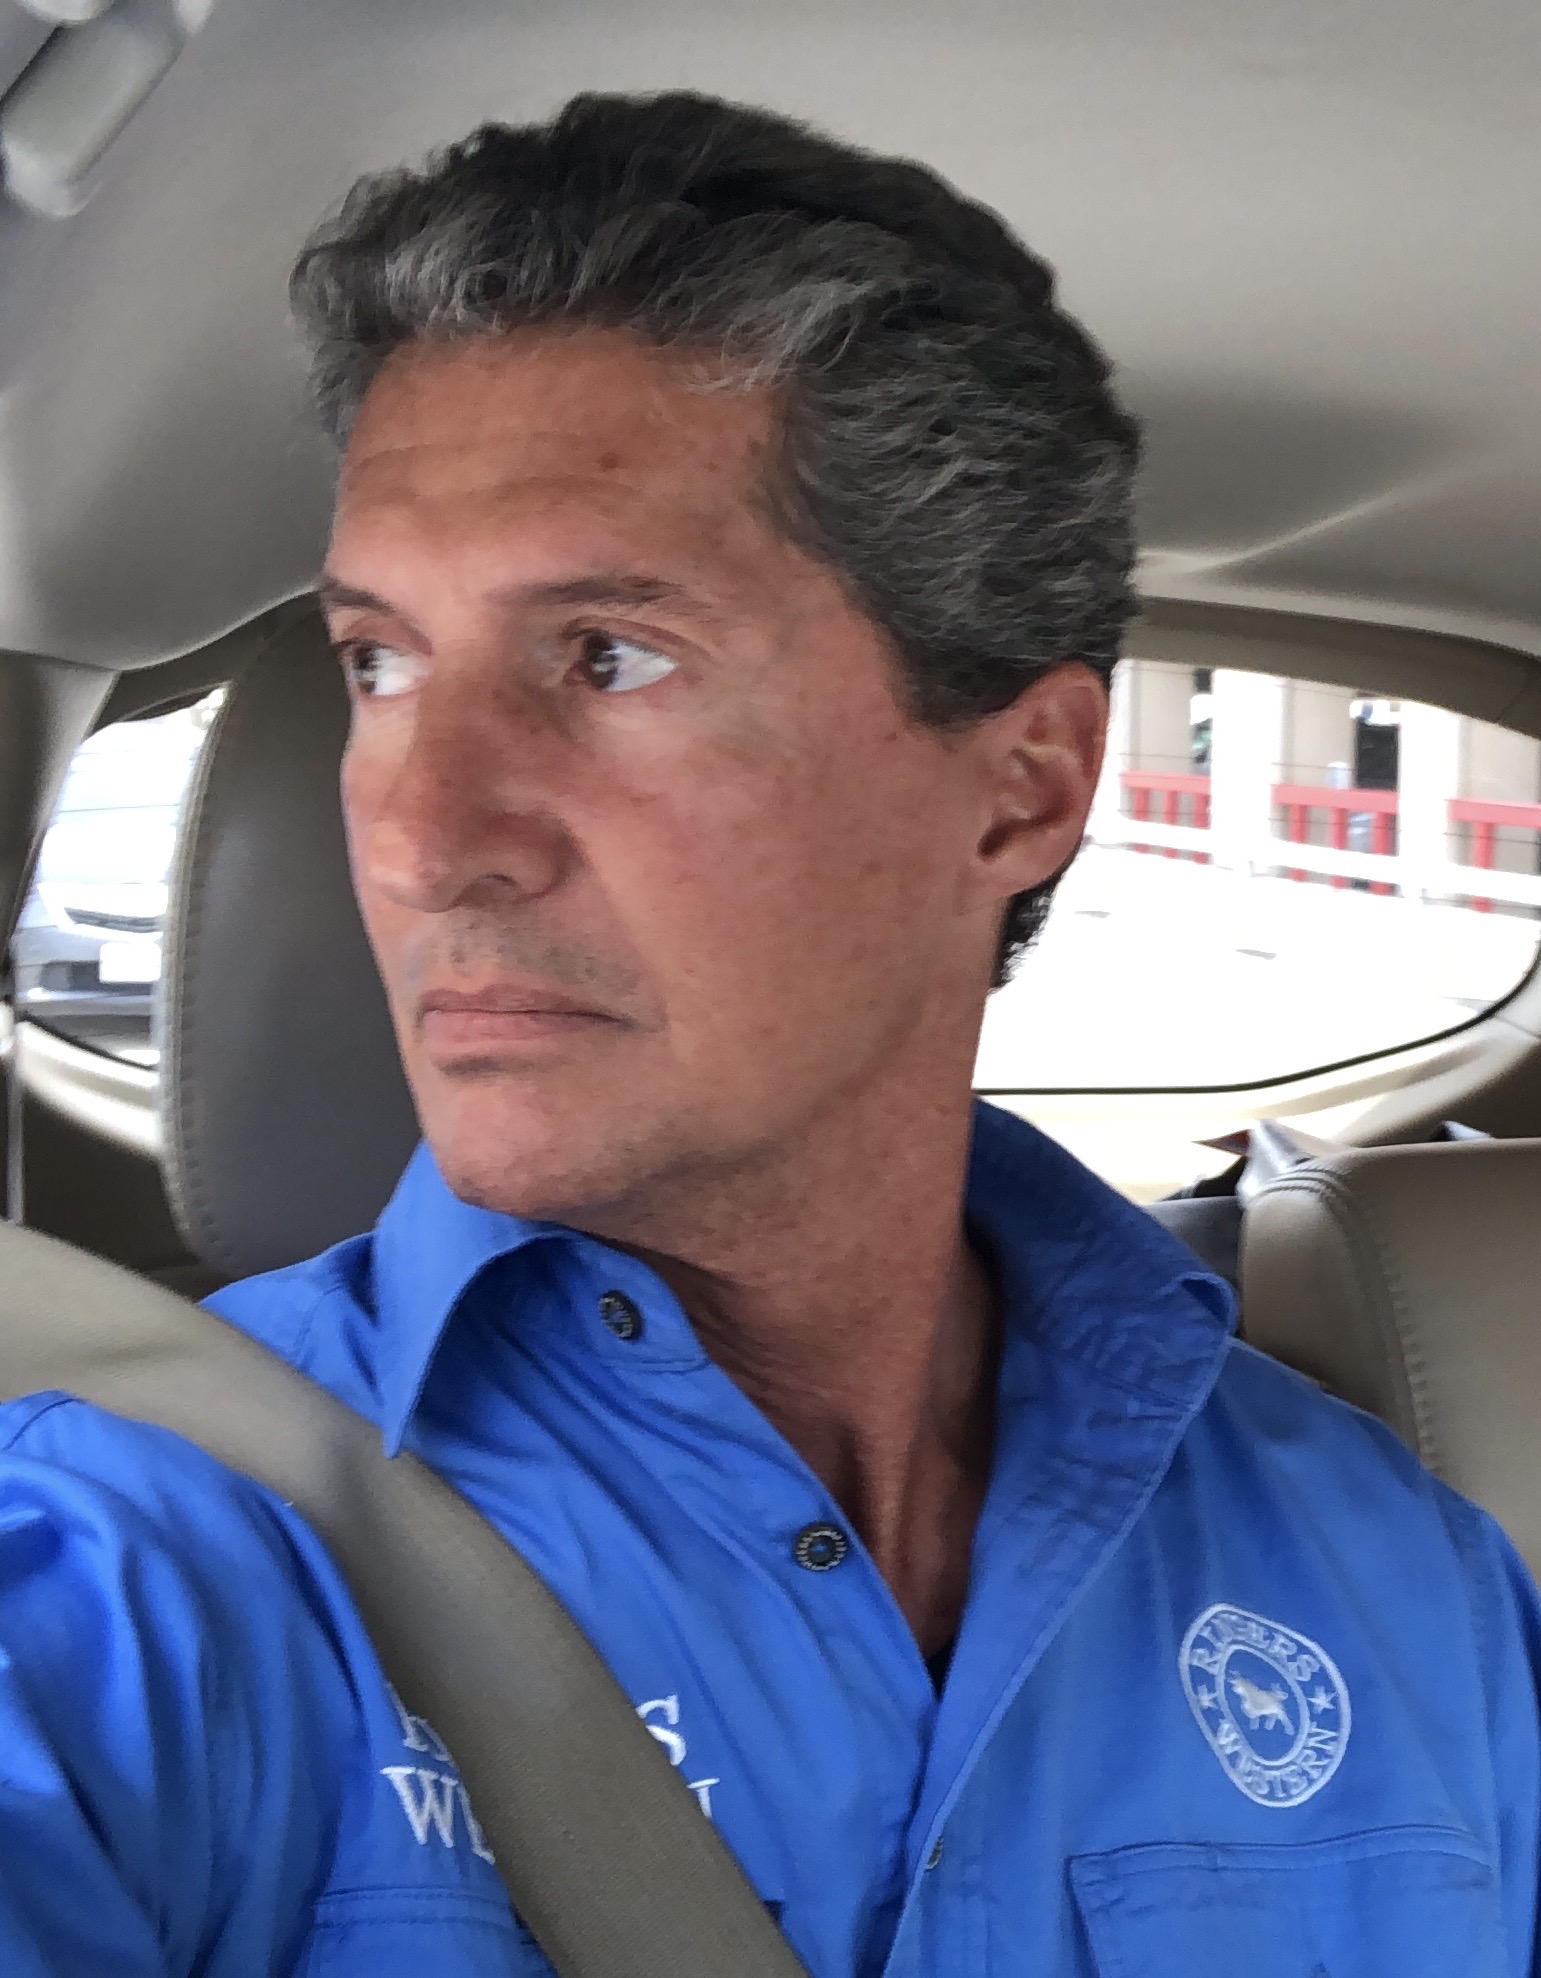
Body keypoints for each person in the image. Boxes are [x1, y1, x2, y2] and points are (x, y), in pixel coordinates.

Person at [1, 89, 1538, 1978]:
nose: (420, 836)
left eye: (609, 655)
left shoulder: (1400, 1576)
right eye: (379, 662)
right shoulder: (132, 1555)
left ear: (1022, 786)